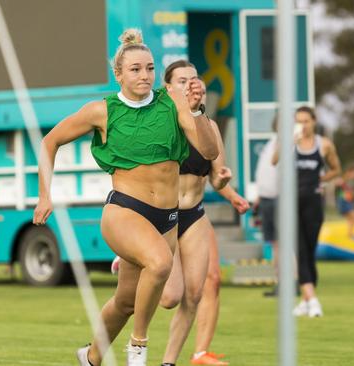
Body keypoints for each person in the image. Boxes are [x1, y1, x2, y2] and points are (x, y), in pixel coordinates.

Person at [32, 29, 219, 366]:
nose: (144, 75)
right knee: (161, 263)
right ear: (118, 74)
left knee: (126, 302)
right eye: (135, 69)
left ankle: (90, 357)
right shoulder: (101, 111)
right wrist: (45, 195)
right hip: (124, 210)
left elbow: (209, 149)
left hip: (168, 216)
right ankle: (138, 345)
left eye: (149, 68)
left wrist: (196, 112)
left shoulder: (172, 102)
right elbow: (49, 142)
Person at [155, 69, 249, 366]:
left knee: (196, 292)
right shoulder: (160, 125)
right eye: (182, 81)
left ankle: (173, 361)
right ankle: (134, 261)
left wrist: (227, 187)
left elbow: (216, 175)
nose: (190, 85)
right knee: (170, 297)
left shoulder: (208, 127)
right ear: (168, 88)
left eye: (194, 81)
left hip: (194, 215)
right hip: (162, 218)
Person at [272, 106, 341, 318]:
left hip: (313, 203)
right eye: (298, 121)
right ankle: (313, 300)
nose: (303, 125)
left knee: (309, 251)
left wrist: (322, 180)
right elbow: (274, 161)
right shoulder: (289, 140)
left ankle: (305, 299)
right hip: (291, 203)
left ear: (314, 121)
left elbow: (336, 169)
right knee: (299, 249)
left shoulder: (324, 145)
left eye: (306, 121)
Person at [255, 117, 280, 297]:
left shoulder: (290, 144)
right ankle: (280, 282)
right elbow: (266, 172)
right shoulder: (272, 142)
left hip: (280, 199)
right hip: (266, 199)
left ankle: (292, 281)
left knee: (285, 244)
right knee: (275, 244)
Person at [335, 162, 354, 238]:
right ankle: (350, 234)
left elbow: (349, 192)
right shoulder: (344, 178)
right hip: (343, 202)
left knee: (352, 218)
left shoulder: (350, 181)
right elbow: (338, 184)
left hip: (347, 202)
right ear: (350, 172)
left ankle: (350, 233)